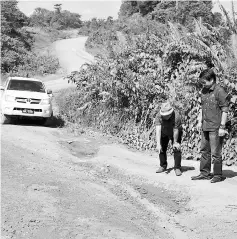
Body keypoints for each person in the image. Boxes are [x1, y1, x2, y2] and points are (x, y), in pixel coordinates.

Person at [191, 69, 229, 183]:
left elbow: (225, 110)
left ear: (211, 80)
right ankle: (204, 173)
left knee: (216, 152)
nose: (202, 84)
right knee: (204, 150)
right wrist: (199, 121)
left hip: (216, 127)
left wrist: (222, 127)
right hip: (205, 126)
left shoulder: (220, 91)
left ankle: (217, 175)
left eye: (204, 82)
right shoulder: (204, 90)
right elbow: (202, 108)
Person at [155, 101, 183, 176]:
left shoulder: (176, 116)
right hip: (163, 132)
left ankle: (177, 167)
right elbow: (158, 130)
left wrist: (175, 142)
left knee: (176, 148)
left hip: (175, 132)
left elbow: (176, 130)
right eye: (164, 115)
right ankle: (163, 165)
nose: (165, 116)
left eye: (167, 115)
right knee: (161, 148)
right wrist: (158, 144)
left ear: (170, 114)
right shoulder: (158, 116)